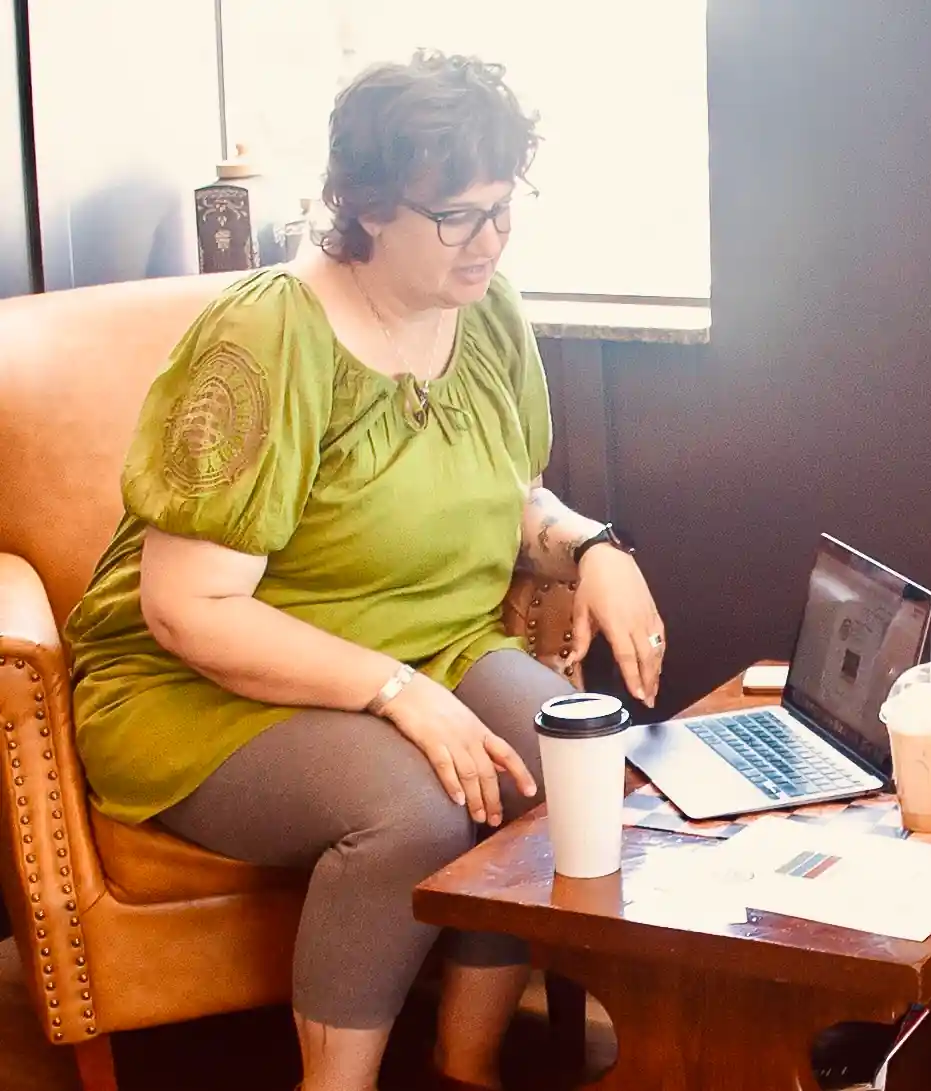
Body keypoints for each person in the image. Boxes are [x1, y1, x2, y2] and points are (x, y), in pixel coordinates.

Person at [62, 52, 667, 1091]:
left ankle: (463, 1068)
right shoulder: (267, 335)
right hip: (204, 684)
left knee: (561, 773)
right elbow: (186, 608)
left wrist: (593, 546)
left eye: (502, 209)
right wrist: (401, 697)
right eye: (458, 216)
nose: (489, 241)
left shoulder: (486, 308)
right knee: (412, 811)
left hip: (431, 642)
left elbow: (508, 489)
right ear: (368, 204)